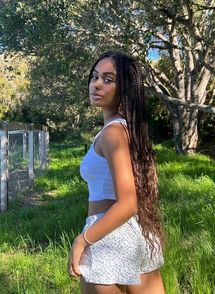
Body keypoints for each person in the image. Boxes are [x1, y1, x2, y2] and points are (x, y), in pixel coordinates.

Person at [68, 51, 165, 294]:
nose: (97, 84)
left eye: (108, 79)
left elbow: (128, 202)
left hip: (107, 237)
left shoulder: (113, 133)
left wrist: (83, 239)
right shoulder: (131, 131)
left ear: (125, 88)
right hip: (139, 233)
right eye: (95, 77)